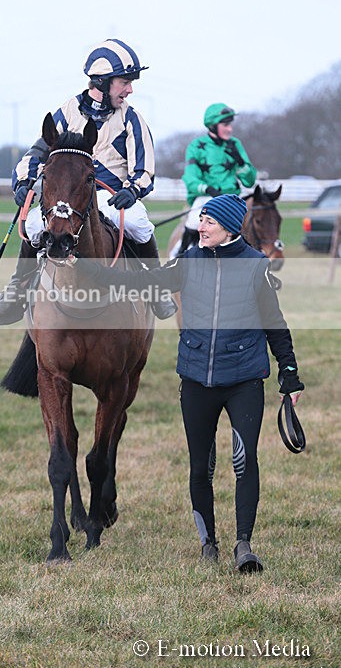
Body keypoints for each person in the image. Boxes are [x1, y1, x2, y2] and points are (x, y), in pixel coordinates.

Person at [70, 194, 305, 572]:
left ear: (229, 226)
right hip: (196, 380)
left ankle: (243, 545)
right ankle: (207, 542)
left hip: (244, 379)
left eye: (209, 221)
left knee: (244, 463)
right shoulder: (187, 262)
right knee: (201, 467)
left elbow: (274, 324)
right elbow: (139, 283)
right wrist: (88, 268)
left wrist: (289, 374)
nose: (202, 227)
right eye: (202, 221)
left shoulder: (255, 266)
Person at [0, 38, 175, 324]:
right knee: (35, 224)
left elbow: (145, 169)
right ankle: (17, 288)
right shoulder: (68, 111)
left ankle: (156, 287)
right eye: (124, 81)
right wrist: (23, 182)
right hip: (70, 199)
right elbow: (37, 152)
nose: (130, 89)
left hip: (112, 200)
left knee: (139, 224)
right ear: (101, 82)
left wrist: (132, 191)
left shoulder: (132, 119)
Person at [177, 103, 257, 255]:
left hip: (233, 198)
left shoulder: (235, 144)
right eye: (225, 125)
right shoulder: (196, 146)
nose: (230, 129)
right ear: (213, 125)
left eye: (230, 125)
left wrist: (240, 162)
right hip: (205, 198)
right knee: (195, 221)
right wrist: (208, 189)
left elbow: (250, 181)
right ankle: (179, 256)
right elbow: (190, 178)